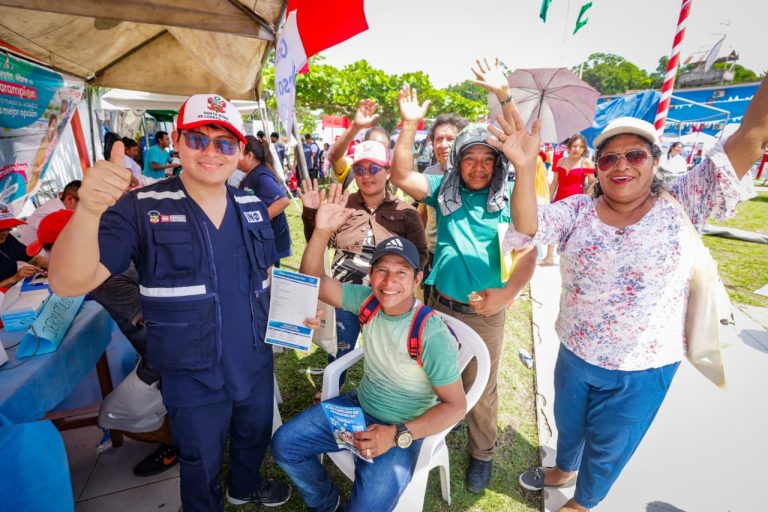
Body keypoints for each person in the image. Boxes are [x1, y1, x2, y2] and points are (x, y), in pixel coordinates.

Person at [499, 75, 768, 512]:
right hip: (576, 350)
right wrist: (526, 168)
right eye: (609, 159)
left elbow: (752, 137)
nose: (621, 165)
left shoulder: (685, 199)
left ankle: (584, 501)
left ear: (654, 161)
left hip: (644, 366)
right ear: (597, 168)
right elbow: (529, 228)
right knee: (569, 426)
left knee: (610, 444)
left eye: (635, 154)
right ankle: (564, 468)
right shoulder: (579, 209)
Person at [48, 93, 292, 511]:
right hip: (191, 372)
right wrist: (87, 210)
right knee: (200, 460)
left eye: (224, 143)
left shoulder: (252, 205)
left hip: (254, 360)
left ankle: (244, 486)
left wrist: (295, 314)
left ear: (238, 151)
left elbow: (264, 275)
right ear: (177, 142)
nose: (212, 152)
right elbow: (71, 281)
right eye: (198, 139)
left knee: (254, 435)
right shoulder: (140, 207)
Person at [389, 59, 537, 494]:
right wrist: (408, 124)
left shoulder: (509, 199)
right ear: (456, 161)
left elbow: (528, 237)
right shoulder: (444, 190)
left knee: (480, 390)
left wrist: (506, 97)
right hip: (436, 304)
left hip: (482, 312)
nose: (476, 167)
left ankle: (482, 454)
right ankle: (433, 429)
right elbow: (400, 174)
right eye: (468, 158)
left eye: (485, 159)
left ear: (497, 165)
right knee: (432, 375)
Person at [272, 187, 465, 512]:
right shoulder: (367, 301)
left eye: (401, 273)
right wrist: (320, 231)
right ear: (371, 275)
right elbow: (313, 278)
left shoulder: (431, 334)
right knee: (284, 445)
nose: (389, 282)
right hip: (357, 410)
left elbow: (455, 406)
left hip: (401, 430)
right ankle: (327, 501)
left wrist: (396, 434)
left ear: (418, 278)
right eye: (382, 271)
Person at [300, 140, 426, 398]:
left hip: (386, 295)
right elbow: (317, 241)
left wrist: (401, 289)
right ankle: (333, 385)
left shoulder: (405, 213)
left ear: (387, 171)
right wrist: (310, 213)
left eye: (373, 168)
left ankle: (388, 393)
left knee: (389, 349)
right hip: (342, 290)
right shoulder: (342, 205)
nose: (366, 175)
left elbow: (420, 255)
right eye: (359, 169)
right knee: (341, 345)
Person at [417, 113, 468, 305]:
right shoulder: (430, 173)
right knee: (430, 305)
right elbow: (421, 214)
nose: (443, 144)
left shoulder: (474, 176)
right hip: (432, 255)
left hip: (460, 258)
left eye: (450, 139)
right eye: (438, 139)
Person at [539, 134, 595, 266]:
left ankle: (575, 258)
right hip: (560, 199)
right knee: (554, 227)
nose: (577, 149)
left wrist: (588, 199)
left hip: (577, 203)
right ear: (569, 147)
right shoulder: (561, 161)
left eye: (580, 147)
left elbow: (592, 183)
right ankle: (549, 257)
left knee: (575, 231)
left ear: (584, 149)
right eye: (574, 146)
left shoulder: (585, 162)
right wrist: (548, 201)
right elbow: (554, 183)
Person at [239, 136, 292, 265]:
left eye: (238, 153)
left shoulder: (261, 175)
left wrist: (256, 220)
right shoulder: (252, 174)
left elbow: (283, 201)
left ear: (249, 156)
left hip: (269, 242)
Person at [325, 99, 391, 192]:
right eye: (374, 145)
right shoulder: (352, 167)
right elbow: (334, 158)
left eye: (383, 148)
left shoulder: (395, 180)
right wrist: (355, 126)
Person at [0, 204, 48, 290]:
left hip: (13, 292)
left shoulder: (8, 239)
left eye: (8, 227)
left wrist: (54, 268)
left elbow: (34, 259)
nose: (5, 232)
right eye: (1, 229)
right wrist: (15, 278)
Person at [19, 180, 80, 247]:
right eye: (83, 205)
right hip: (33, 254)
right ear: (70, 199)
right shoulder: (53, 214)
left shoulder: (57, 206)